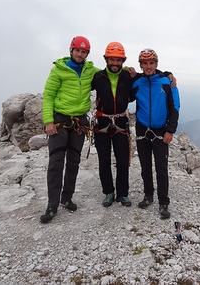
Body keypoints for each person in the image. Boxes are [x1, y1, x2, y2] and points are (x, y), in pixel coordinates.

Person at [91, 42, 176, 208]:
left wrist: (169, 74)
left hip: (122, 124)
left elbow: (154, 78)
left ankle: (123, 194)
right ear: (106, 59)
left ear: (123, 61)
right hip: (103, 123)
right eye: (112, 59)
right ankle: (109, 192)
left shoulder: (130, 78)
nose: (115, 63)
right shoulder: (98, 77)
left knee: (124, 161)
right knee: (104, 160)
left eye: (118, 60)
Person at [40, 36, 98, 223]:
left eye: (84, 52)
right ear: (71, 50)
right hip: (60, 120)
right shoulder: (59, 70)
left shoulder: (90, 71)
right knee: (56, 162)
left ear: (87, 54)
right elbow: (48, 96)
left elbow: (109, 75)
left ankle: (67, 197)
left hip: (79, 121)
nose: (80, 54)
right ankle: (52, 205)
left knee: (73, 161)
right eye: (77, 51)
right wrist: (48, 121)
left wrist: (128, 71)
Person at [130, 48, 180, 219]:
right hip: (143, 128)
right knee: (145, 166)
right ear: (141, 65)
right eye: (145, 63)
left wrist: (170, 130)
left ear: (156, 64)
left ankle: (163, 202)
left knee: (161, 168)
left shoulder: (167, 82)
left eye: (151, 63)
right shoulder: (137, 82)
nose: (148, 66)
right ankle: (148, 195)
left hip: (160, 130)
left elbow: (175, 108)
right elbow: (124, 89)